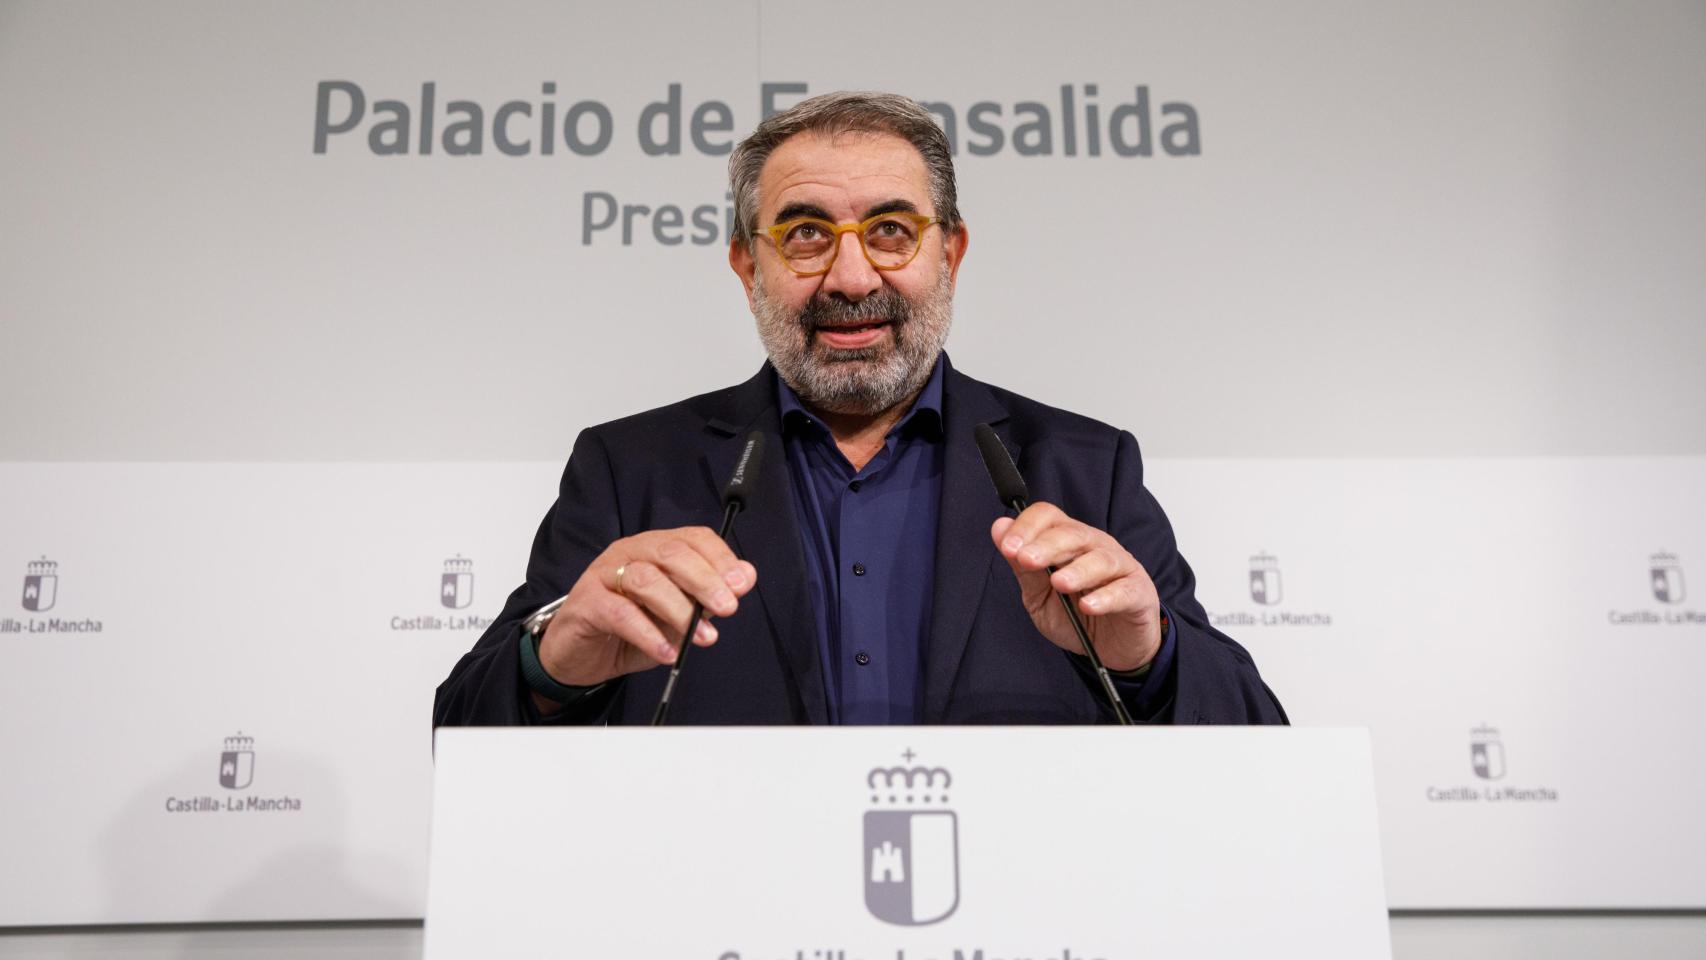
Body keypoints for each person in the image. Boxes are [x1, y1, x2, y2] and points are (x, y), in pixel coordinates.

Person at [433, 91, 1285, 727]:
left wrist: (1149, 657)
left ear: (949, 251)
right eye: (804, 233)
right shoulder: (631, 469)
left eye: (890, 231)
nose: (849, 278)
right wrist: (556, 665)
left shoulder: (1084, 467)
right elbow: (464, 731)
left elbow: (1258, 740)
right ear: (745, 266)